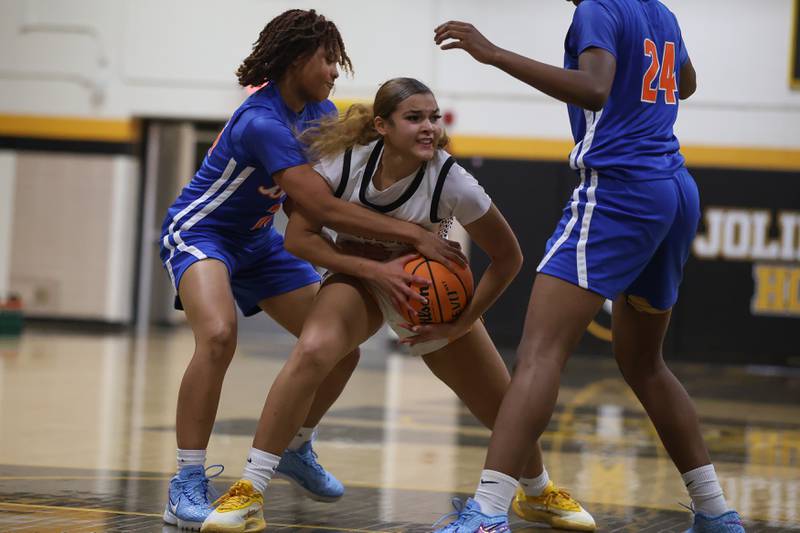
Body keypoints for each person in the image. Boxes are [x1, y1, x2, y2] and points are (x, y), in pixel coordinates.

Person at [199, 78, 596, 533]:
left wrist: (460, 324)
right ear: (382, 126)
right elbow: (298, 239)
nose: (429, 127)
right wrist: (371, 270)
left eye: (433, 117)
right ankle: (250, 489)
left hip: (426, 295)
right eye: (414, 118)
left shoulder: (452, 180)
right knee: (312, 351)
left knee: (502, 404)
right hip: (358, 275)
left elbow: (510, 258)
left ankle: (537, 490)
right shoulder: (343, 163)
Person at [431, 2, 745, 533]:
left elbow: (596, 88)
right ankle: (716, 512)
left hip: (621, 190)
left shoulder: (599, 8)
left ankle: (485, 516)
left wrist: (494, 54)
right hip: (674, 190)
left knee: (538, 355)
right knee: (645, 364)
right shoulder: (659, 11)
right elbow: (684, 83)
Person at [160, 9, 465, 531]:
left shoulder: (319, 110)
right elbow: (317, 207)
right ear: (298, 58)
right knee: (217, 336)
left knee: (335, 344)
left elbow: (317, 201)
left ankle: (297, 445)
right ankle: (186, 482)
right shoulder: (263, 121)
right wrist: (413, 235)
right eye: (328, 60)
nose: (333, 71)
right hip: (202, 232)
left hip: (258, 241)